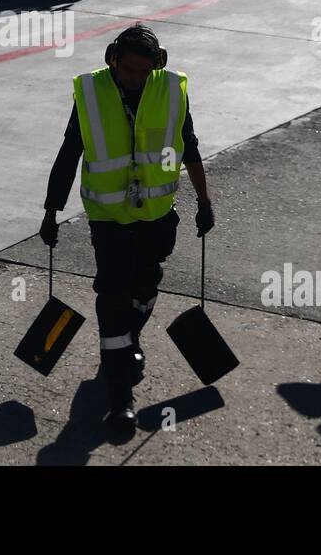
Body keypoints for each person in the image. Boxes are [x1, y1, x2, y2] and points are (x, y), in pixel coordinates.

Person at [40, 23, 214, 432]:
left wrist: (205, 203)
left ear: (156, 65)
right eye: (128, 70)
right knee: (113, 299)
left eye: (143, 71)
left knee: (146, 288)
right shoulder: (91, 92)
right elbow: (69, 153)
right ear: (113, 59)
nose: (134, 79)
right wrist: (51, 211)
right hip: (110, 220)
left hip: (156, 216)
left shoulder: (171, 89)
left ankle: (126, 344)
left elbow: (189, 146)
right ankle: (121, 398)